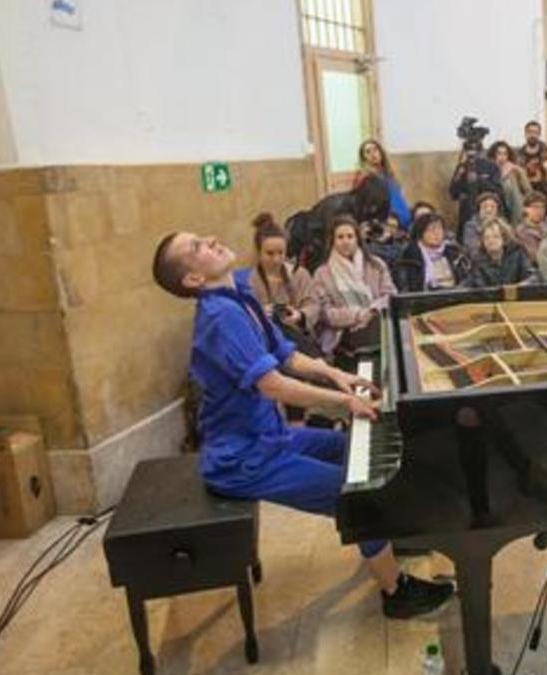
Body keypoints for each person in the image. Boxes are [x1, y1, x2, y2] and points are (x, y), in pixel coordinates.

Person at [150, 230, 451, 620]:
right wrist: (342, 401)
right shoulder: (219, 316)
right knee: (361, 496)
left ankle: (386, 532)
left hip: (270, 437)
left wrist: (335, 375)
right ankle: (396, 590)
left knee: (362, 454)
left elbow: (286, 356)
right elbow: (273, 384)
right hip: (244, 460)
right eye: (197, 247)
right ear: (192, 279)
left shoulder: (237, 296)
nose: (210, 238)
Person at [304, 216, 397, 365]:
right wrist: (358, 315)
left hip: (379, 331)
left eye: (350, 236)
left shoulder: (376, 265)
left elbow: (391, 295)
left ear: (357, 239)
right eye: (340, 237)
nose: (345, 241)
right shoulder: (322, 273)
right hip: (342, 341)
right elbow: (325, 313)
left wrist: (373, 310)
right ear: (332, 240)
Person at [391, 213, 471, 293]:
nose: (436, 233)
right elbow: (405, 289)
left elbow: (466, 281)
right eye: (431, 229)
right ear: (420, 233)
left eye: (439, 229)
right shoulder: (409, 257)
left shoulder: (455, 253)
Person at [354, 140, 412, 229]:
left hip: (405, 220)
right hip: (389, 224)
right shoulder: (366, 178)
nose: (373, 154)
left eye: (375, 149)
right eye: (368, 152)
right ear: (363, 158)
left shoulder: (389, 174)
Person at [448, 140, 502, 230]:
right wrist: (460, 172)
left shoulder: (491, 166)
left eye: (476, 151)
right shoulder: (462, 167)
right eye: (469, 151)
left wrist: (479, 180)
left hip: (487, 210)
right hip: (467, 212)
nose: (473, 155)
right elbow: (453, 193)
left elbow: (498, 189)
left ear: (482, 152)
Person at [468, 217, 533, 288]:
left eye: (495, 236)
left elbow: (532, 277)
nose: (491, 241)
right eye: (486, 238)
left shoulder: (517, 253)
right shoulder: (477, 261)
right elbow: (481, 288)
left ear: (504, 238)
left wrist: (518, 287)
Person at [488, 140, 533, 225]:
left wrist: (524, 206)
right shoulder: (489, 171)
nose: (502, 157)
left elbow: (528, 191)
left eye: (505, 154)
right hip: (498, 212)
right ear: (493, 155)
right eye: (499, 153)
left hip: (516, 212)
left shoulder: (515, 170)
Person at [514, 191, 547, 261]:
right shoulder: (521, 231)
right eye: (535, 207)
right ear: (525, 209)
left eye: (542, 207)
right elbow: (534, 255)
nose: (539, 211)